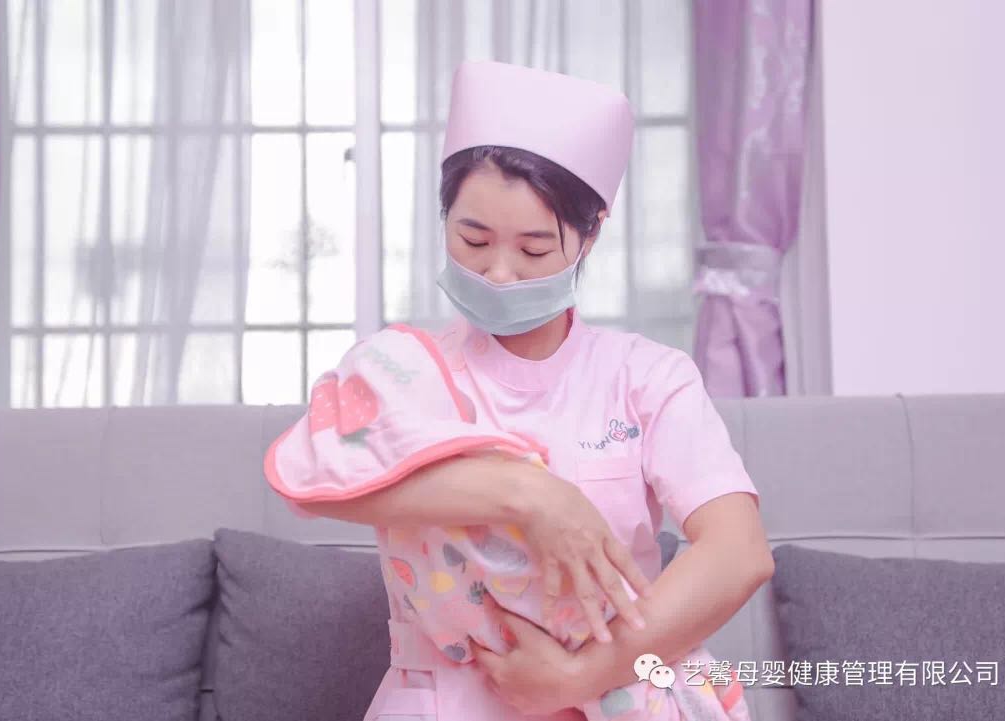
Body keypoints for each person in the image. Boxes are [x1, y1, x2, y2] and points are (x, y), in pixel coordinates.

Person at [264, 60, 773, 721]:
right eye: (473, 239)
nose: (499, 273)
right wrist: (531, 496)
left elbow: (739, 552)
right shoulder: (403, 372)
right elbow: (318, 479)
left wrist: (580, 675)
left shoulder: (647, 377)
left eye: (533, 250)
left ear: (590, 233)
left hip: (609, 693)